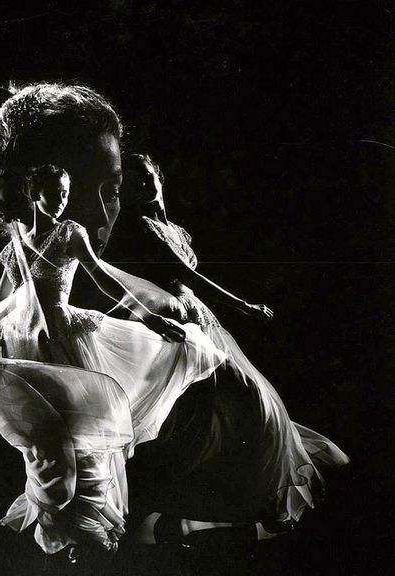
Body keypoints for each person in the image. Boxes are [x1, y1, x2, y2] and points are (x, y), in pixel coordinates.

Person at [0, 85, 227, 560]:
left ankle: (86, 523)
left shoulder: (72, 235)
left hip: (64, 331)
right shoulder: (18, 242)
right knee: (43, 434)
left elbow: (104, 281)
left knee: (86, 429)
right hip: (23, 332)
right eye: (52, 194)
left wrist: (145, 312)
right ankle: (65, 522)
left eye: (66, 195)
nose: (59, 204)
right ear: (29, 193)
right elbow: (7, 293)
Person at [101, 153, 349, 543]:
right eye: (133, 183)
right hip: (182, 327)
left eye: (147, 177)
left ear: (159, 176)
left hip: (205, 322)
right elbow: (186, 275)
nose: (143, 186)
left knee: (242, 411)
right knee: (244, 404)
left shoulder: (176, 230)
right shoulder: (142, 226)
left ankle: (210, 518)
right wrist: (243, 305)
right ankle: (206, 514)